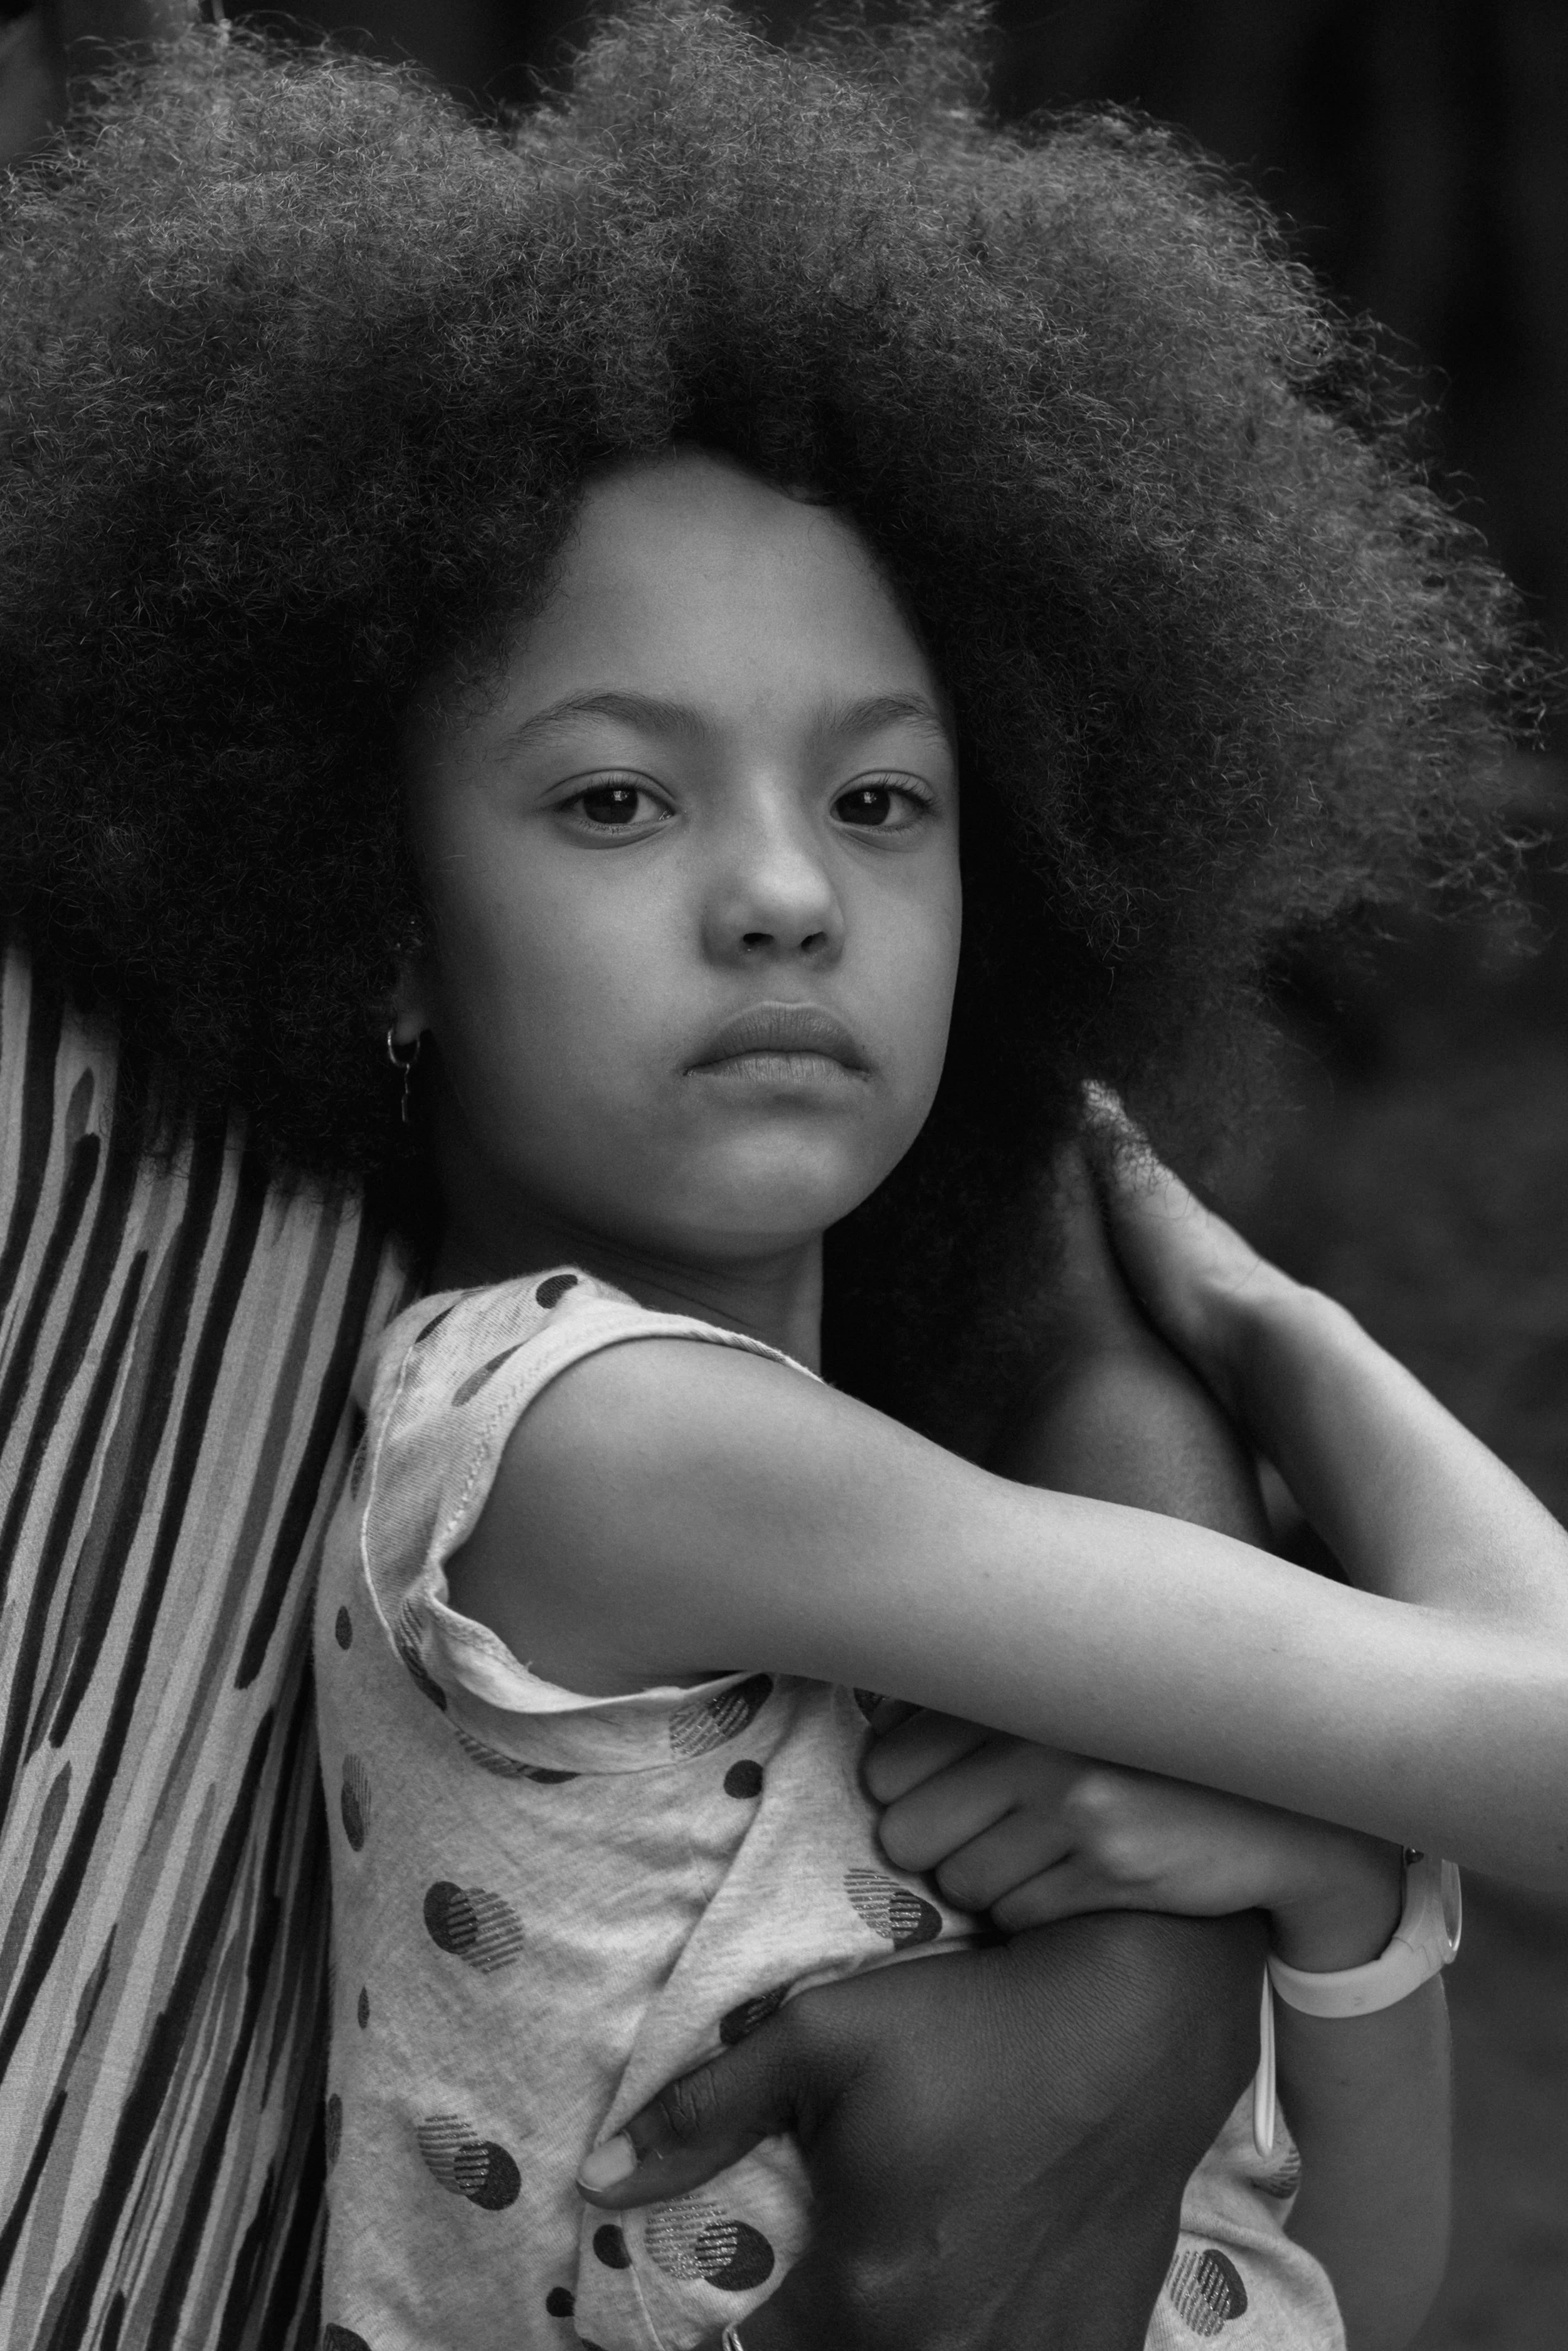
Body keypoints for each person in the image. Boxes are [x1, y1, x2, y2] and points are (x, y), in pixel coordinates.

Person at [0, 8, 1554, 2348]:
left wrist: (1344, 1914)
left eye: (879, 800)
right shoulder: (583, 1440)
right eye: (617, 797)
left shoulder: (887, 1553)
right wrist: (1278, 1337)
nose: (780, 895)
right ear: (384, 933)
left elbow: (1366, 2293)